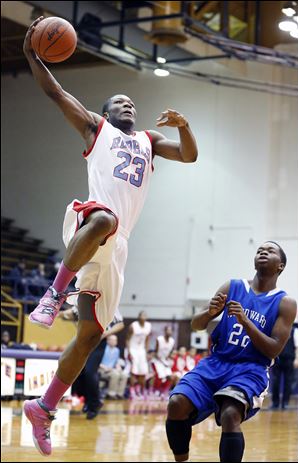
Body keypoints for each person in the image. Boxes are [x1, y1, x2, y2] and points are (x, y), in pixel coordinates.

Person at [22, 16, 198, 456]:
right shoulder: (94, 130)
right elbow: (56, 92)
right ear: (103, 114)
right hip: (88, 221)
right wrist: (31, 54)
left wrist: (184, 126)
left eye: (132, 103)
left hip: (115, 248)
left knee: (90, 336)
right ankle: (53, 294)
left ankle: (43, 408)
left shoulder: (148, 141)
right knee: (105, 219)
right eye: (119, 102)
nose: (128, 106)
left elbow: (190, 156)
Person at [165, 241, 297, 463]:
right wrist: (210, 313)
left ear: (280, 266)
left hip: (251, 369)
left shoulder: (285, 303)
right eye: (259, 250)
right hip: (216, 362)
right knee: (176, 403)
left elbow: (273, 349)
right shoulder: (232, 286)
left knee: (230, 414)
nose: (263, 252)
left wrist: (246, 322)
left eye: (270, 251)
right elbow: (195, 325)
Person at [59, 306, 125, 419]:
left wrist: (106, 333)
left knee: (90, 372)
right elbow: (71, 313)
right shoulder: (83, 300)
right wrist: (59, 313)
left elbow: (121, 324)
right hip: (83, 340)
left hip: (98, 341)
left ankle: (95, 403)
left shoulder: (108, 302)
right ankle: (88, 401)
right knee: (79, 373)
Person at [271, 324, 298, 409]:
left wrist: (297, 359)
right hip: (277, 358)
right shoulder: (276, 329)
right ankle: (275, 403)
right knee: (275, 382)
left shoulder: (294, 330)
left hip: (289, 359)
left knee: (288, 382)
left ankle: (285, 403)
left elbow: (297, 346)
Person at [126, 311, 152, 399]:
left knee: (143, 371)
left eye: (146, 315)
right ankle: (132, 391)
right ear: (139, 316)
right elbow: (127, 339)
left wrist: (147, 352)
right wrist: (129, 351)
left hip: (142, 350)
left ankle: (140, 390)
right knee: (134, 371)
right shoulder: (133, 326)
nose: (144, 316)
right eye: (142, 315)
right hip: (132, 349)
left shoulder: (148, 326)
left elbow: (148, 339)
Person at [99, 334, 129, 400]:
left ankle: (119, 394)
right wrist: (105, 367)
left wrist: (118, 366)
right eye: (111, 340)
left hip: (112, 369)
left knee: (124, 375)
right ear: (107, 341)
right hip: (102, 369)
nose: (113, 341)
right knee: (115, 374)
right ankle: (111, 394)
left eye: (115, 340)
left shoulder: (117, 350)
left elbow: (116, 361)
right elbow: (97, 362)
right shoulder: (103, 349)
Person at [151, 325, 175, 399]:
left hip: (165, 361)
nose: (169, 332)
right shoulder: (159, 339)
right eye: (168, 330)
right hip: (157, 360)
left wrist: (170, 357)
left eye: (171, 330)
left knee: (170, 377)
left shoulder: (172, 341)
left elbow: (170, 352)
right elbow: (156, 352)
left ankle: (164, 392)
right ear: (165, 331)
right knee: (159, 376)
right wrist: (161, 360)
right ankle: (155, 392)